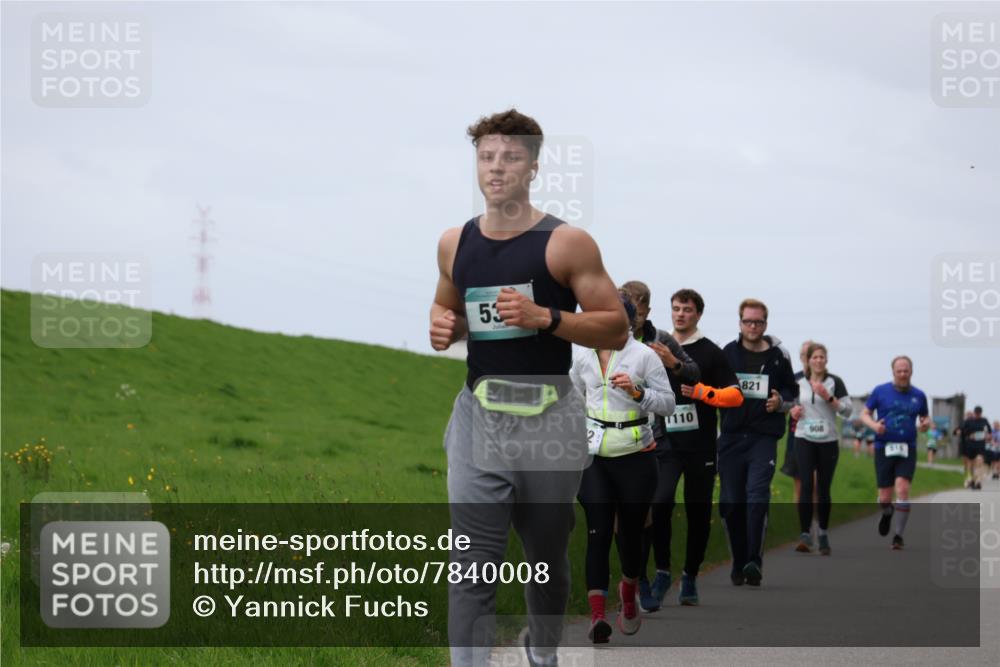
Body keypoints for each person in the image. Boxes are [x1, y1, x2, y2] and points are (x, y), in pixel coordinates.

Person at [430, 108, 629, 667]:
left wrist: (548, 318)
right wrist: (443, 328)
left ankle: (542, 651)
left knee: (546, 557)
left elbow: (615, 325)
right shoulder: (453, 243)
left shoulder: (566, 243)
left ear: (534, 167)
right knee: (473, 562)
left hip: (549, 419)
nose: (496, 168)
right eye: (486, 157)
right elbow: (448, 309)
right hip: (479, 418)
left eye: (510, 157)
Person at [571, 292, 676, 644]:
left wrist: (637, 393)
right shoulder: (583, 355)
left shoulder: (644, 356)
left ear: (629, 321)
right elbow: (572, 397)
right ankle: (598, 617)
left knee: (630, 534)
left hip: (636, 456)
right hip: (593, 457)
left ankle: (628, 590)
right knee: (598, 532)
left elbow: (668, 405)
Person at [615, 281, 700, 612]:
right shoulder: (604, 340)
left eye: (637, 310)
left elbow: (693, 371)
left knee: (649, 511)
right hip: (614, 438)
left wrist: (672, 363)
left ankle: (643, 579)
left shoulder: (661, 339)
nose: (631, 316)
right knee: (622, 517)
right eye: (625, 306)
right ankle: (633, 579)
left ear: (646, 312)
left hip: (656, 437)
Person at [658, 288, 744, 606]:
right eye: (676, 308)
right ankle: (663, 571)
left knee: (698, 512)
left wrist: (703, 393)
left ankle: (690, 576)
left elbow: (735, 395)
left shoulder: (711, 352)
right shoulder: (655, 347)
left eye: (687, 310)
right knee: (660, 503)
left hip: (701, 446)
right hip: (665, 444)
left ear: (698, 315)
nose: (681, 314)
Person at [715, 299, 798, 586]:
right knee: (730, 503)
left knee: (757, 496)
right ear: (739, 323)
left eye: (758, 322)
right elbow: (712, 388)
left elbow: (792, 391)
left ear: (765, 324)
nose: (753, 327)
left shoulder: (778, 356)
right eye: (748, 322)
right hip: (731, 436)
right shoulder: (727, 353)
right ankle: (738, 559)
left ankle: (754, 560)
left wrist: (781, 401)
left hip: (763, 437)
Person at [859, 356, 931, 550]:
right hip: (884, 447)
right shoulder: (880, 391)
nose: (902, 374)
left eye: (905, 370)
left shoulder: (919, 395)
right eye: (899, 371)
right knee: (884, 497)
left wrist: (925, 425)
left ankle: (898, 535)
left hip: (908, 447)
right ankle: (887, 512)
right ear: (893, 372)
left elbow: (925, 419)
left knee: (903, 489)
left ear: (911, 372)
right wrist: (874, 425)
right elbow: (864, 414)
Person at [789, 343, 852, 555]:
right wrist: (793, 410)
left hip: (828, 440)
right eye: (814, 357)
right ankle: (805, 534)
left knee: (823, 488)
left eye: (821, 357)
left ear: (826, 360)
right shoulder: (798, 381)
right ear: (808, 359)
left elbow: (848, 411)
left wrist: (829, 397)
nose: (818, 360)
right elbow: (789, 404)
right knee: (806, 484)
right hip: (803, 437)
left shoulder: (835, 382)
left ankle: (823, 533)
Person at [781, 341, 814, 502]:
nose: (808, 358)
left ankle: (816, 523)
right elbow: (784, 405)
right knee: (799, 483)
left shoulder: (828, 381)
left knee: (815, 483)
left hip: (820, 437)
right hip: (796, 435)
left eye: (811, 354)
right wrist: (792, 409)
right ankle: (802, 525)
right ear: (801, 357)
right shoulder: (793, 380)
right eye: (804, 355)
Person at [959, 406, 992, 490]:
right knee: (971, 463)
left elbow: (989, 431)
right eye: (976, 413)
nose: (977, 415)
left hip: (980, 444)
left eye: (979, 413)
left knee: (979, 461)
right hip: (971, 444)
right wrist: (968, 435)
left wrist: (988, 436)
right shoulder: (969, 421)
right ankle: (971, 478)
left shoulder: (984, 421)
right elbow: (961, 430)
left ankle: (978, 480)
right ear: (974, 413)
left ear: (981, 413)